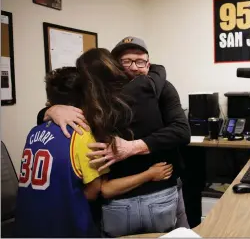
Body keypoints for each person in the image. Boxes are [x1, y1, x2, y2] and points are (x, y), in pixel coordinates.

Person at [37, 37, 191, 229]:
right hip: (118, 197)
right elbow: (67, 109)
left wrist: (133, 147)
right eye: (126, 61)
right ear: (114, 66)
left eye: (140, 61)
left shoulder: (161, 88)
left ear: (148, 64)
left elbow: (182, 131)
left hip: (161, 187)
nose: (134, 67)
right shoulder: (96, 98)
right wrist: (52, 110)